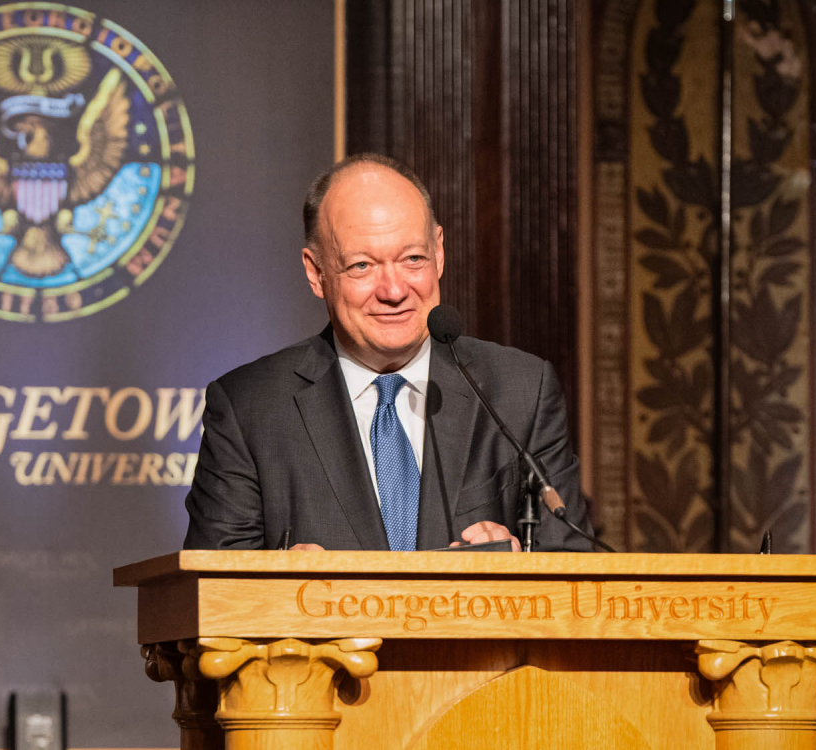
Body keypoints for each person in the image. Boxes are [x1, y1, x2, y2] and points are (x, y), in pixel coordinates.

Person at [183, 154, 594, 551]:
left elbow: (575, 574)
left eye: (413, 258)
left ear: (439, 251)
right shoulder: (250, 409)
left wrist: (515, 576)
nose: (394, 291)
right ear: (316, 272)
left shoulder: (520, 391)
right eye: (362, 266)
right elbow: (208, 596)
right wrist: (276, 591)